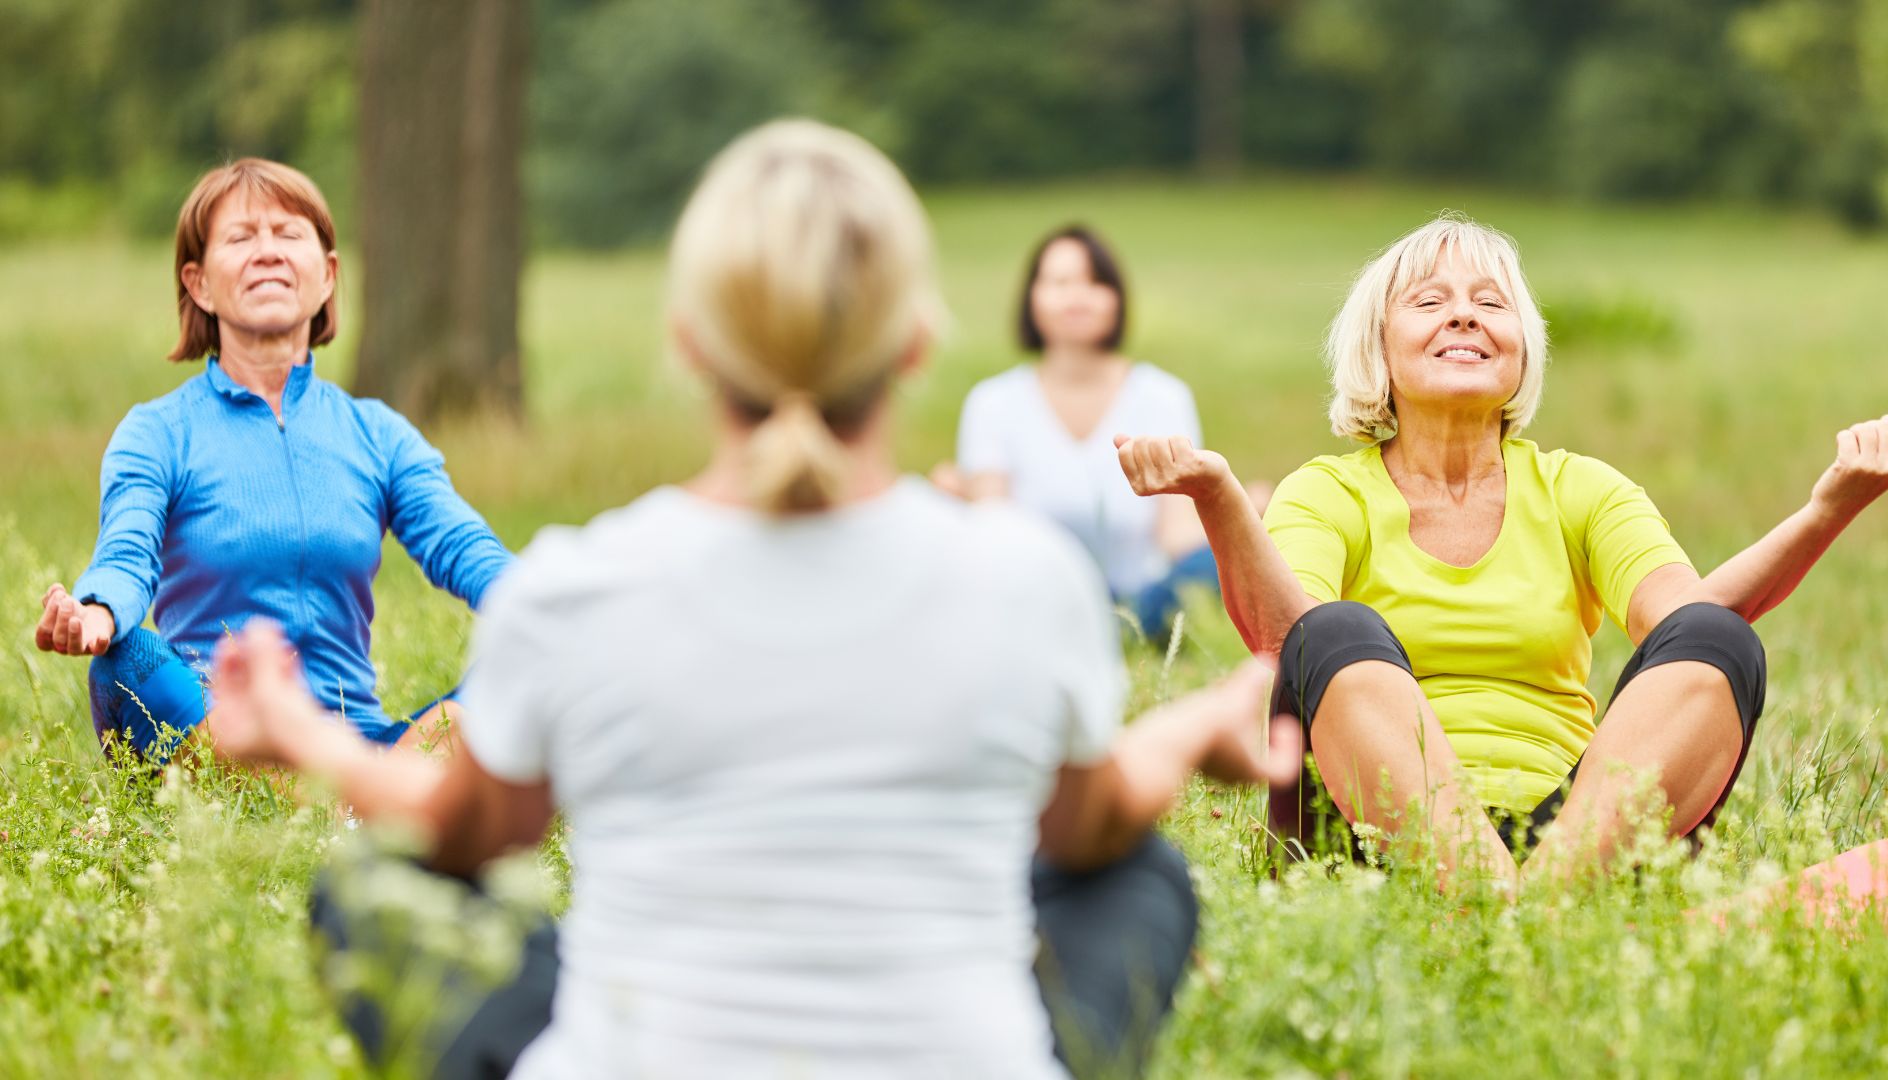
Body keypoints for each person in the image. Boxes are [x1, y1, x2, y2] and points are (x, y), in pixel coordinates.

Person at [204, 121, 1299, 1078]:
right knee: (1135, 873)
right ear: (915, 344)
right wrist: (1196, 723)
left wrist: (304, 735)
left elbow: (457, 831)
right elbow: (1093, 823)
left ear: (689, 344)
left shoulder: (579, 586)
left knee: (378, 883)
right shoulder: (1025, 577)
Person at [1116, 212, 1888, 888]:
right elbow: (1286, 647)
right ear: (1377, 350)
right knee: (1334, 630)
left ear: (1521, 349)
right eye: (1430, 301)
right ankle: (1503, 905)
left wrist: (1825, 511)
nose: (1464, 317)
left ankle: (1528, 901)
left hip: (1567, 835)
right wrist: (1219, 500)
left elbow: (1688, 627)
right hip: (1371, 840)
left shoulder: (1582, 489)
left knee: (1718, 638)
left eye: (1490, 303)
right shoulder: (1329, 492)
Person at [31, 158, 512, 759]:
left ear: (328, 275)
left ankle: (348, 796)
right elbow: (126, 556)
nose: (268, 252)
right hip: (224, 734)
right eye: (240, 238)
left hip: (361, 740)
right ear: (199, 282)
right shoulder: (157, 432)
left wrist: (558, 604)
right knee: (125, 661)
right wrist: (98, 613)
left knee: (520, 674)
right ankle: (365, 808)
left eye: (289, 235)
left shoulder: (379, 433)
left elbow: (465, 549)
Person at [947, 224, 1220, 639]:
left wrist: (1233, 517)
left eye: (1095, 282)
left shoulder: (1163, 396)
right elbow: (994, 535)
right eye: (1059, 282)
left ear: (1116, 299)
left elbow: (1176, 534)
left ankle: (1106, 632)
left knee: (1206, 570)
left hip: (1142, 600)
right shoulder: (992, 402)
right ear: (1032, 299)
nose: (1077, 297)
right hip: (1034, 601)